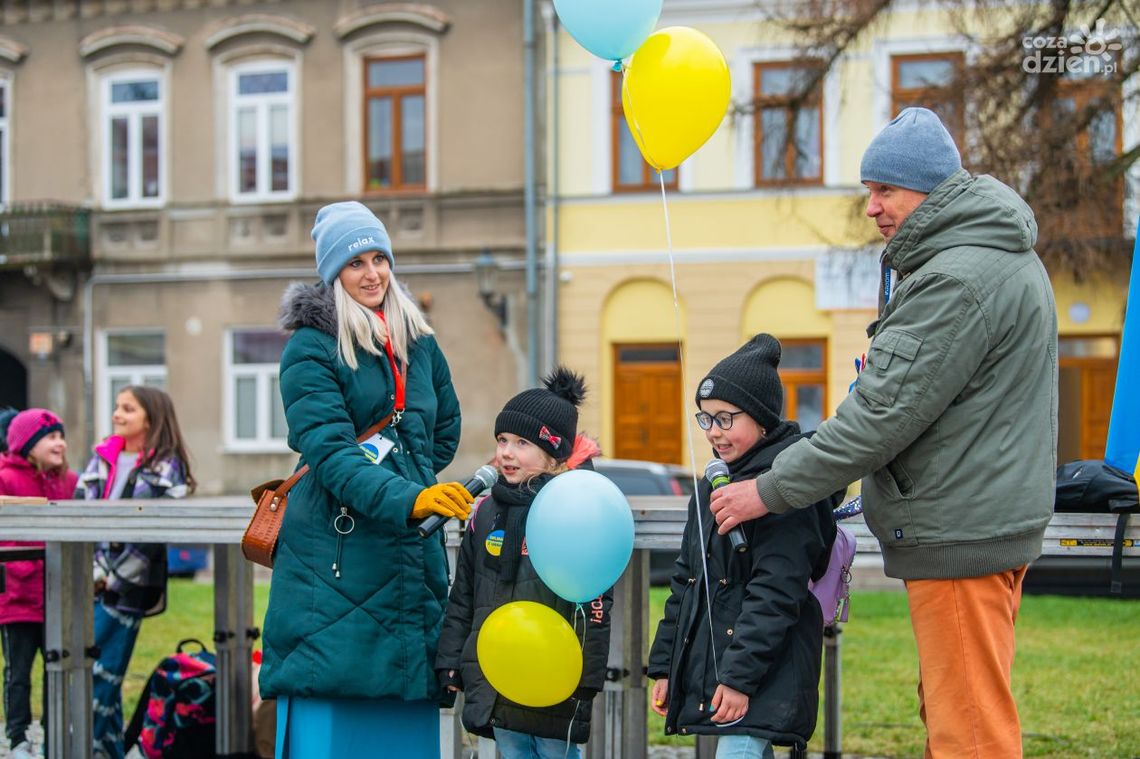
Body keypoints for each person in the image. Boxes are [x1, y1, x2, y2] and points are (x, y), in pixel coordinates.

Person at [709, 107, 1057, 758]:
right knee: (961, 709)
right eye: (870, 190)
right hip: (980, 521)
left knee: (968, 733)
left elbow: (879, 418)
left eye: (885, 190)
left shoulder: (956, 278)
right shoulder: (989, 258)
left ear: (929, 192)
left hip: (962, 530)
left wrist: (767, 490)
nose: (871, 207)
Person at [260, 201, 471, 759]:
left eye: (380, 259)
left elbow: (442, 429)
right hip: (333, 552)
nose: (372, 273)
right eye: (355, 263)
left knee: (403, 719)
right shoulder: (310, 347)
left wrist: (410, 478)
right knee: (335, 711)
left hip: (407, 546)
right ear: (333, 274)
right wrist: (410, 494)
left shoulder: (419, 343)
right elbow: (328, 453)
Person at [646, 335, 840, 758]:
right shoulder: (714, 483)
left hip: (765, 671)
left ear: (762, 417)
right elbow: (687, 579)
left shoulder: (785, 486)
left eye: (726, 418)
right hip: (732, 669)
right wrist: (666, 666)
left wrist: (738, 679)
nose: (714, 432)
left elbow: (776, 591)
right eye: (706, 419)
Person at [436, 367, 610, 759]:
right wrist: (450, 661)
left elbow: (597, 606)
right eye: (502, 440)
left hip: (554, 676)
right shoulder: (486, 512)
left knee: (554, 752)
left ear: (553, 455)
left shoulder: (575, 511)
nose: (506, 453)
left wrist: (585, 678)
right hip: (499, 674)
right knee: (512, 751)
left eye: (521, 443)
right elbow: (464, 594)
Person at [76, 386, 195, 759]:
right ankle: (108, 749)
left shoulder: (165, 466)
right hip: (91, 578)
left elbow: (153, 533)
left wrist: (111, 577)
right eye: (116, 407)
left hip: (128, 586)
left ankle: (82, 748)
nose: (117, 414)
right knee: (94, 670)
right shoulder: (101, 459)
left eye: (128, 408)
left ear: (151, 418)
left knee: (101, 675)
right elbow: (78, 509)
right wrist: (93, 570)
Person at [0, 409, 78, 759]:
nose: (59, 443)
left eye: (61, 435)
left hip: (56, 597)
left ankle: (52, 733)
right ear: (27, 445)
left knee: (56, 669)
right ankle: (17, 738)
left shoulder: (68, 482)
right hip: (17, 599)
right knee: (18, 673)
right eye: (50, 437)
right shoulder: (4, 479)